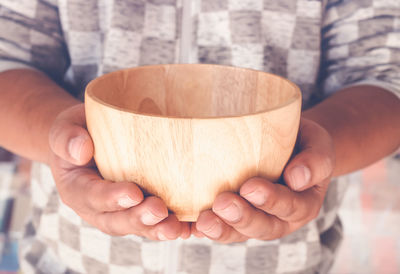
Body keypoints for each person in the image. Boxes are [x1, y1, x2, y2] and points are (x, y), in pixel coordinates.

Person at [0, 0, 399, 273]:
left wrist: (312, 158)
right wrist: (66, 143)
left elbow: (383, 75)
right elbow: (8, 56)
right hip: (73, 260)